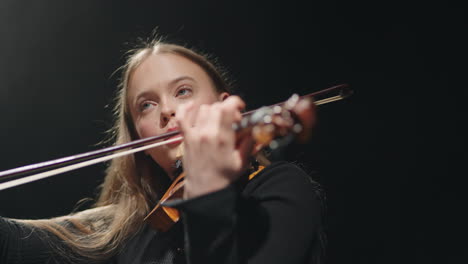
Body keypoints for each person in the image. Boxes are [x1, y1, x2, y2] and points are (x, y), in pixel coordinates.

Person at [0, 36, 326, 264]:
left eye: (183, 91)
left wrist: (207, 187)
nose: (167, 111)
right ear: (137, 140)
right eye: (146, 105)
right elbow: (12, 244)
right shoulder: (128, 230)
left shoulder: (278, 188)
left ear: (223, 107)